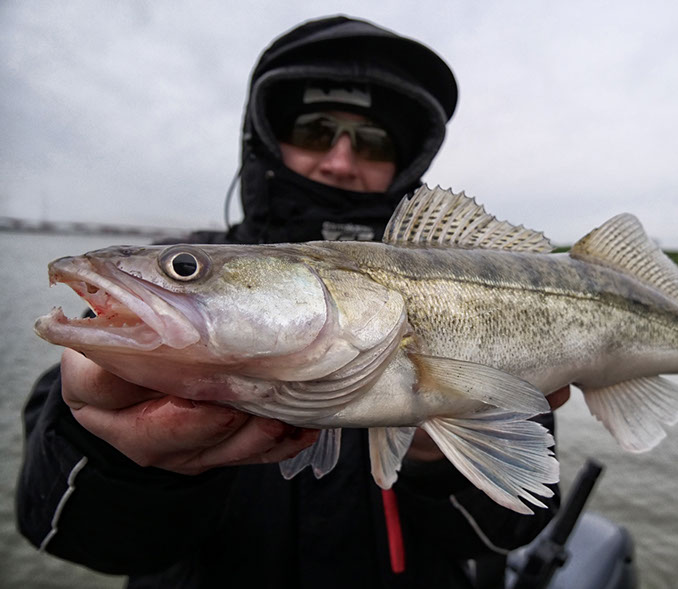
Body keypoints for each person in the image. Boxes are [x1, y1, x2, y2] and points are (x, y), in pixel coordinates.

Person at [16, 15, 566, 589]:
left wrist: (436, 461)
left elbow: (509, 531)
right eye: (312, 130)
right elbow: (55, 527)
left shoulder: (481, 288)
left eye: (373, 142)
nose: (340, 160)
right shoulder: (148, 322)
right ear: (265, 142)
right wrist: (109, 452)